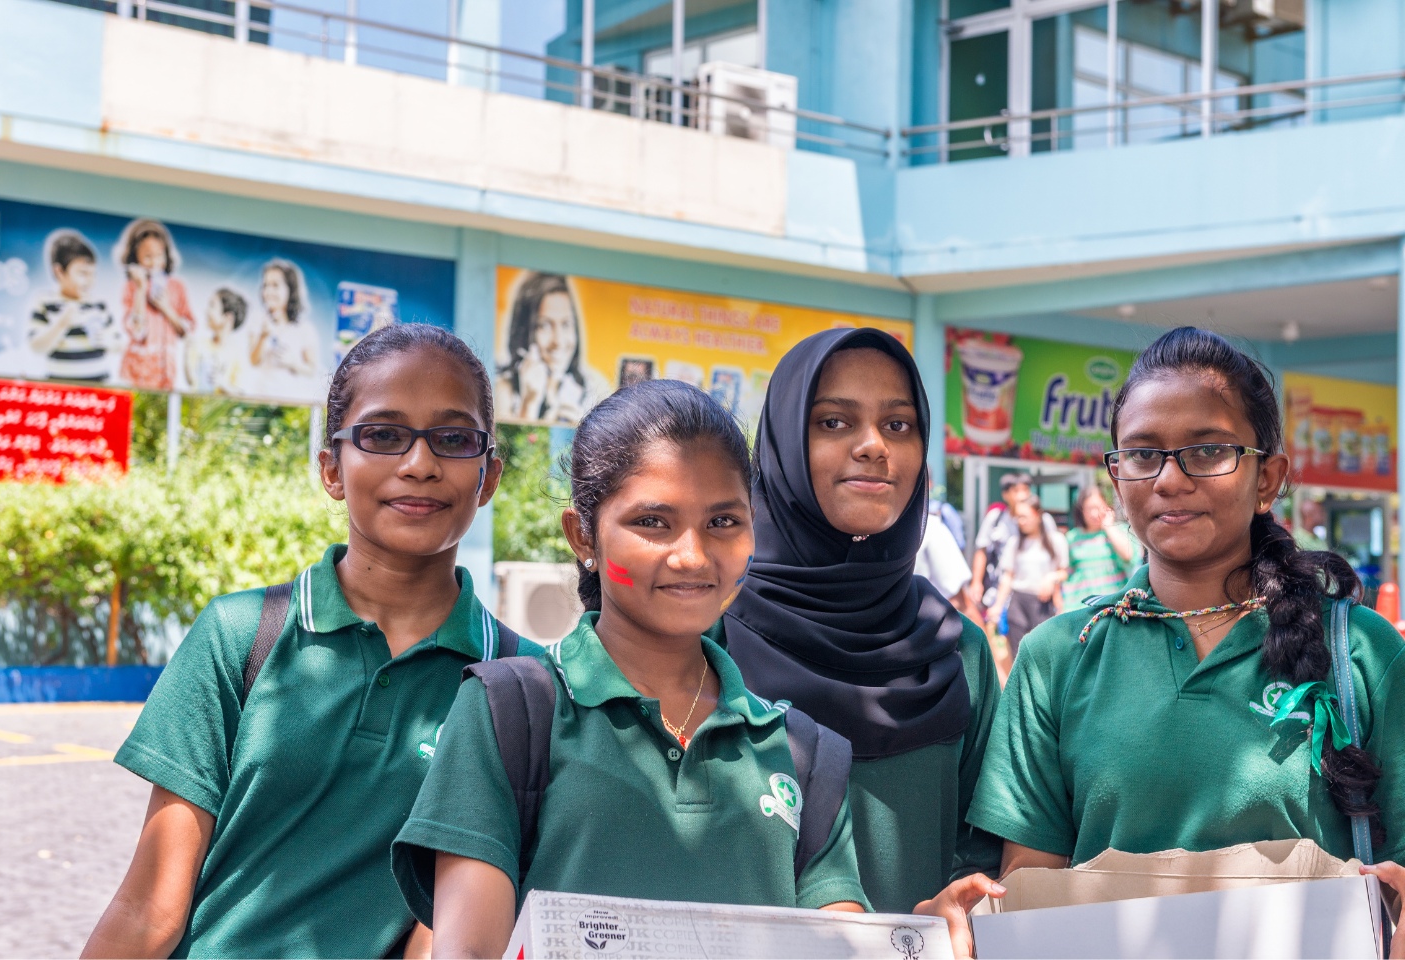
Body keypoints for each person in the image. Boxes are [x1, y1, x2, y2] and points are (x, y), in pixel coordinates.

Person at [395, 380, 958, 960]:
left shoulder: (803, 751)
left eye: (722, 522)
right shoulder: (507, 713)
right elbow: (467, 952)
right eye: (652, 523)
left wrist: (914, 940)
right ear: (582, 535)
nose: (692, 555)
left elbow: (834, 943)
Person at [83, 324, 535, 958]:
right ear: (330, 468)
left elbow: (450, 932)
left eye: (454, 439)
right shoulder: (240, 635)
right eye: (383, 435)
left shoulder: (520, 685)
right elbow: (149, 908)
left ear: (488, 476)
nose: (420, 464)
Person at [967, 327, 1405, 888]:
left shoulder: (1360, 651)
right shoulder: (1055, 658)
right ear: (1117, 479)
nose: (1170, 479)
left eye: (1208, 451)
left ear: (1267, 479)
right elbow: (1029, 893)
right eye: (1143, 454)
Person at [713, 328, 1006, 949]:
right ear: (786, 445)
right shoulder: (711, 635)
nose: (873, 447)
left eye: (898, 426)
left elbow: (983, 849)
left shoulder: (959, 651)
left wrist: (951, 909)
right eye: (834, 423)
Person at [494, 271, 609, 425]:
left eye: (566, 324)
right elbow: (508, 448)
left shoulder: (595, 388)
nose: (558, 341)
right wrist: (529, 403)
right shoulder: (503, 390)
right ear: (524, 332)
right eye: (544, 325)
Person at [28, 230, 122, 383]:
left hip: (98, 387)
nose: (89, 281)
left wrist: (108, 341)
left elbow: (119, 343)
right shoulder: (45, 302)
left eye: (93, 274)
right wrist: (62, 324)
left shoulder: (99, 304)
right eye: (83, 273)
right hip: (59, 388)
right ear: (59, 271)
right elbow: (36, 347)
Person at [989, 495, 1069, 668]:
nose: (1021, 521)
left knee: (1042, 656)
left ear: (1038, 515)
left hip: (1043, 603)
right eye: (1018, 517)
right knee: (1018, 657)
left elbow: (1064, 571)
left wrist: (1051, 577)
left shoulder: (1056, 540)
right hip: (1018, 602)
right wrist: (997, 605)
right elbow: (1008, 577)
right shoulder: (1014, 542)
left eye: (1024, 516)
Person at [116, 219, 193, 391]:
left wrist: (167, 309)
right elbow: (136, 331)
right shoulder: (131, 287)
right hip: (137, 373)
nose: (154, 262)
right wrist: (141, 290)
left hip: (167, 373)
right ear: (135, 258)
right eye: (147, 257)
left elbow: (187, 330)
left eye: (159, 255)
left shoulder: (177, 287)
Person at [968, 473, 1056, 612]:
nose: (1022, 495)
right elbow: (982, 550)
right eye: (1016, 491)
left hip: (1035, 593)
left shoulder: (1044, 520)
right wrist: (976, 582)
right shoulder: (996, 518)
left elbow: (1056, 557)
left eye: (1025, 490)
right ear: (1005, 495)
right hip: (998, 587)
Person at [248, 259, 319, 396]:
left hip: (290, 401)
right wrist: (263, 337)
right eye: (266, 285)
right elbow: (253, 361)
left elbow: (312, 369)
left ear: (290, 290)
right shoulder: (258, 320)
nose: (269, 291)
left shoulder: (304, 328)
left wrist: (293, 362)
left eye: (275, 285)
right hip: (261, 396)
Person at [1061, 484, 1136, 611]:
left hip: (1113, 604)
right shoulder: (1072, 537)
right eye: (1089, 508)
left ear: (1106, 506)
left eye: (1097, 507)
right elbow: (1068, 570)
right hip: (1080, 606)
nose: (1094, 513)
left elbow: (1128, 556)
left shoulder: (1118, 531)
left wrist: (1108, 527)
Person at [184, 288, 248, 394]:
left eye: (212, 305)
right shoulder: (199, 345)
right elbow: (192, 381)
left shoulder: (237, 354)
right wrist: (186, 354)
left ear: (228, 318)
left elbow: (239, 393)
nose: (207, 310)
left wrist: (222, 384)